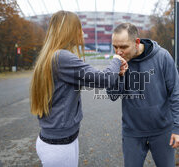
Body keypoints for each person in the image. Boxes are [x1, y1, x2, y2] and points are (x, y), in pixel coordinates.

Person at [29, 11, 127, 167]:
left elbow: (92, 78)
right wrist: (116, 60)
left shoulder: (52, 56)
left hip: (57, 141)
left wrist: (116, 72)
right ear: (69, 31)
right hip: (59, 146)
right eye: (79, 28)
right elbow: (103, 79)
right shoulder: (62, 57)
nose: (82, 32)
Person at [107, 23, 179, 167]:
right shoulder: (117, 61)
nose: (118, 52)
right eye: (115, 47)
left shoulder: (162, 56)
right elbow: (112, 95)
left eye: (123, 47)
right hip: (132, 132)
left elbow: (176, 92)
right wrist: (118, 74)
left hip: (162, 131)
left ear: (137, 42)